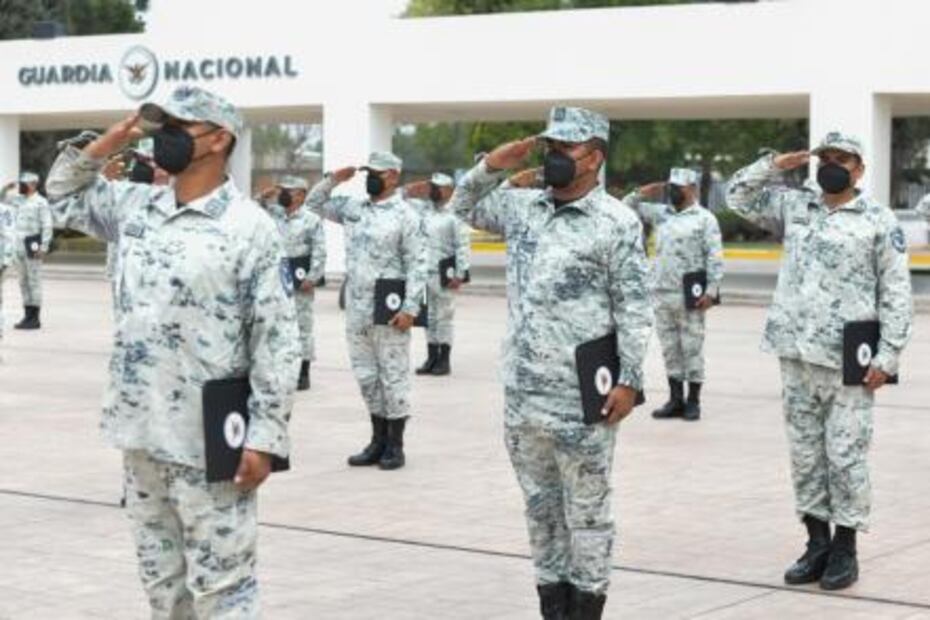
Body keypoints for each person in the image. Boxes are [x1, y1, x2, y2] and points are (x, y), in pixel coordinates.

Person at [46, 85, 300, 618]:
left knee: (223, 590)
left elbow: (276, 338)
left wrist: (266, 438)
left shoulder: (249, 227)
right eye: (161, 126)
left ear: (218, 140)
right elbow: (63, 195)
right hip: (141, 433)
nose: (164, 138)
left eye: (178, 128)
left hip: (210, 442)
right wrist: (116, 137)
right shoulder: (135, 206)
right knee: (163, 588)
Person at [450, 106, 653, 619]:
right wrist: (493, 164)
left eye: (567, 148)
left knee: (586, 513)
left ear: (594, 158)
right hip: (523, 393)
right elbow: (462, 204)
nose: (556, 157)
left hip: (584, 396)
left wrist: (629, 380)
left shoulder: (617, 221)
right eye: (551, 147)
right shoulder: (522, 208)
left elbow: (634, 307)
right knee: (540, 509)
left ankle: (587, 607)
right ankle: (553, 605)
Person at [726, 131, 913, 591]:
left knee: (845, 456)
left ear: (859, 169)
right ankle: (816, 543)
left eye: (842, 159)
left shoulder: (877, 219)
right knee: (807, 455)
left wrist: (888, 355)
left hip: (851, 359)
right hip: (795, 352)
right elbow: (737, 196)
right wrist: (774, 163)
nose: (832, 165)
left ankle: (846, 547)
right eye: (824, 158)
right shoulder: (796, 207)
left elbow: (896, 292)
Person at [305, 152, 427, 470]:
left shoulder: (407, 215)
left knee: (393, 376)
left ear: (393, 176)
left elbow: (418, 264)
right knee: (367, 377)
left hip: (390, 310)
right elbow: (312, 204)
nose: (370, 177)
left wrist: (412, 308)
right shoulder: (354, 208)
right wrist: (334, 179)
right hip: (357, 309)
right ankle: (377, 440)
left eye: (377, 172)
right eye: (367, 172)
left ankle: (395, 445)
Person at [622, 168, 724, 421]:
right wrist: (642, 192)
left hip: (690, 295)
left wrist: (711, 291)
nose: (674, 191)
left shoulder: (705, 218)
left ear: (693, 189)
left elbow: (715, 257)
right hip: (660, 292)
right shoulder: (661, 214)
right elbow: (624, 207)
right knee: (670, 349)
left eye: (679, 187)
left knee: (692, 348)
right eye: (671, 187)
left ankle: (693, 400)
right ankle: (675, 399)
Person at [262, 176, 326, 390]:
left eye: (288, 191)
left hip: (300, 282)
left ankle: (303, 372)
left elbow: (319, 250)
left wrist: (313, 276)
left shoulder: (311, 220)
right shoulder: (275, 214)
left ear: (300, 194)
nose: (283, 194)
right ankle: (281, 368)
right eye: (282, 190)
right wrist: (266, 195)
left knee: (302, 327)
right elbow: (256, 208)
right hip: (277, 279)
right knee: (277, 324)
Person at [404, 172, 471, 376]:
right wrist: (412, 188)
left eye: (437, 187)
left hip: (445, 275)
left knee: (444, 318)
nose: (433, 190)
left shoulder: (455, 215)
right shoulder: (425, 211)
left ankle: (444, 359)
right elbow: (402, 198)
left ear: (449, 190)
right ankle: (431, 357)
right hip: (424, 273)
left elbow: (462, 245)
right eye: (432, 186)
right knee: (429, 317)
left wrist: (460, 273)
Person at [0, 172, 53, 330]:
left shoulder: (41, 203)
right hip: (18, 247)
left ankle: (35, 317)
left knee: (34, 281)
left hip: (33, 245)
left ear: (33, 185)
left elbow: (47, 225)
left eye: (23, 184)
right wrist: (5, 188)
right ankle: (27, 314)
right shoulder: (18, 200)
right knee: (23, 281)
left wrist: (44, 247)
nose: (20, 187)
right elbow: (2, 200)